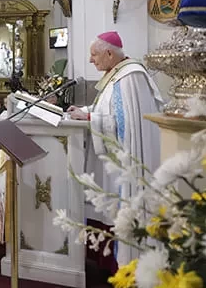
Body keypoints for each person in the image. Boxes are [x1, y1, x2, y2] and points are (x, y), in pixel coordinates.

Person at [67, 31, 163, 265]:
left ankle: (126, 262)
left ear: (109, 53)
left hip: (125, 162)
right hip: (113, 163)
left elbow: (123, 125)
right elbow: (108, 109)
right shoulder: (117, 75)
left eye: (94, 55)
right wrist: (85, 111)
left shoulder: (129, 77)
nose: (91, 60)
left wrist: (90, 118)